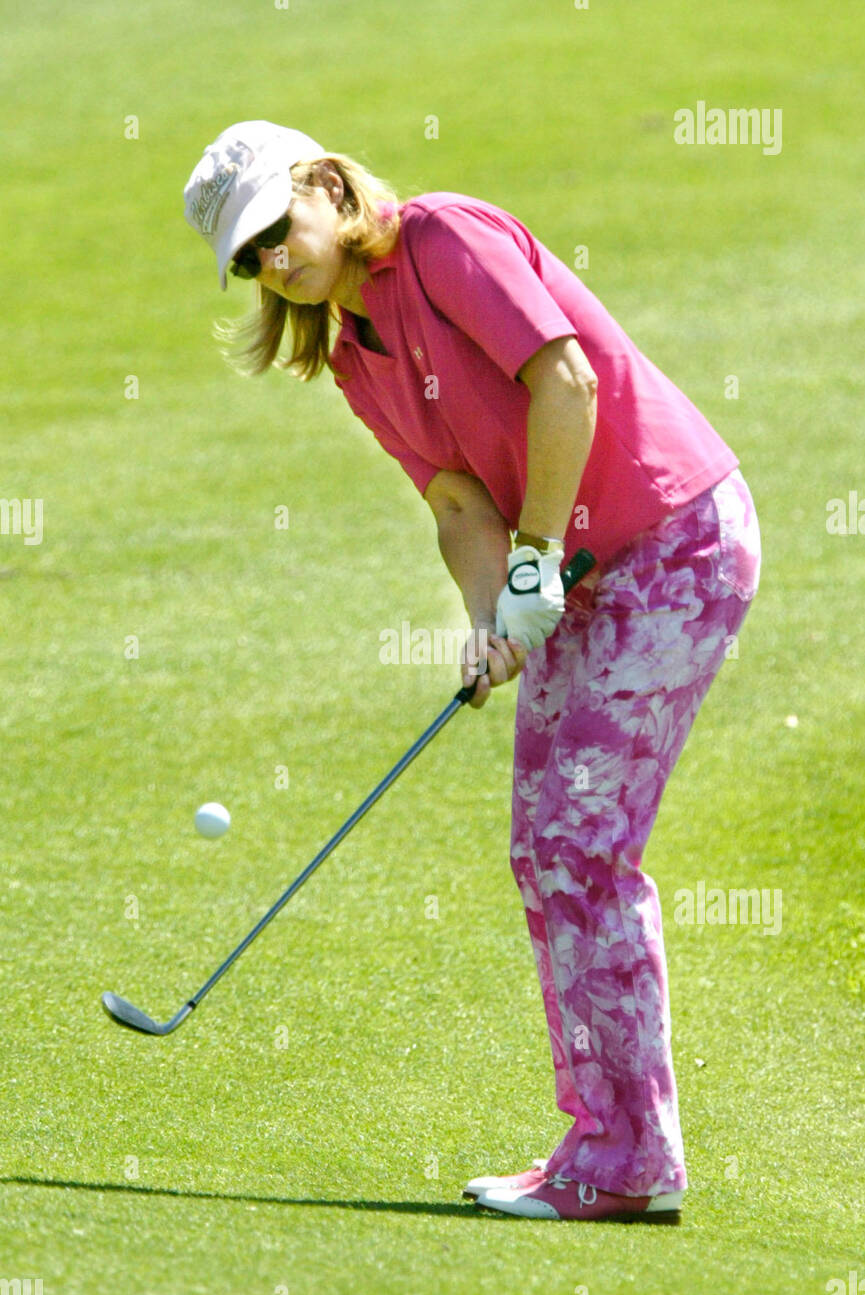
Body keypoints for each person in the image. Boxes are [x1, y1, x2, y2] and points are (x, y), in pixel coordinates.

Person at [183, 120, 761, 1223]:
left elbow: (567, 382)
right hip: (579, 574)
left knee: (582, 848)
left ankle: (627, 1157)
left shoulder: (442, 240)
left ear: (320, 184)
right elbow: (455, 500)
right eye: (250, 258)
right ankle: (608, 1144)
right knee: (546, 851)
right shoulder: (350, 348)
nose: (274, 261)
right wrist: (494, 614)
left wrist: (537, 558)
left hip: (674, 544)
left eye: (275, 229)